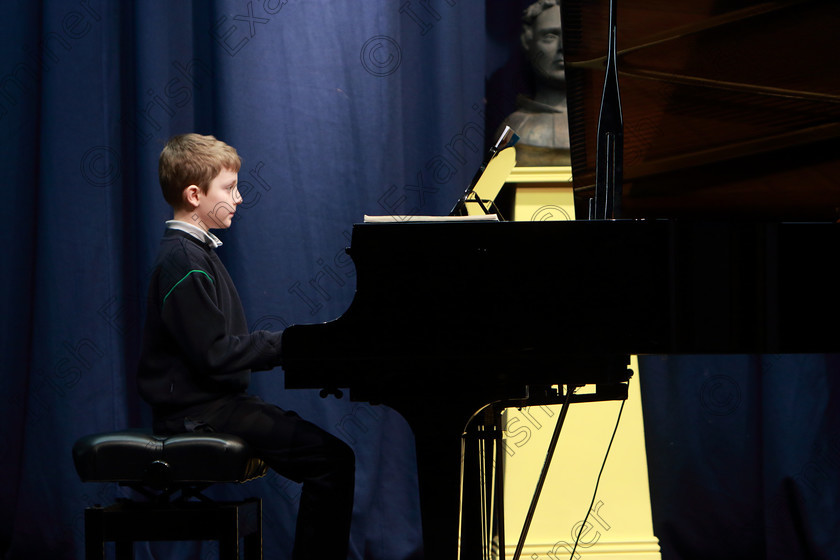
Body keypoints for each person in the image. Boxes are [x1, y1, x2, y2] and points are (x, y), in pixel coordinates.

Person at [137, 133, 355, 560]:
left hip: (215, 406)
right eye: (229, 188)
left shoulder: (193, 253)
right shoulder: (183, 261)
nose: (239, 198)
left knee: (332, 458)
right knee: (332, 461)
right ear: (195, 194)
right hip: (200, 415)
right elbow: (214, 354)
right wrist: (290, 344)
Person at [498, 0, 571, 165]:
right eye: (550, 36)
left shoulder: (604, 129)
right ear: (528, 42)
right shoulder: (512, 130)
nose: (562, 47)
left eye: (571, 36)